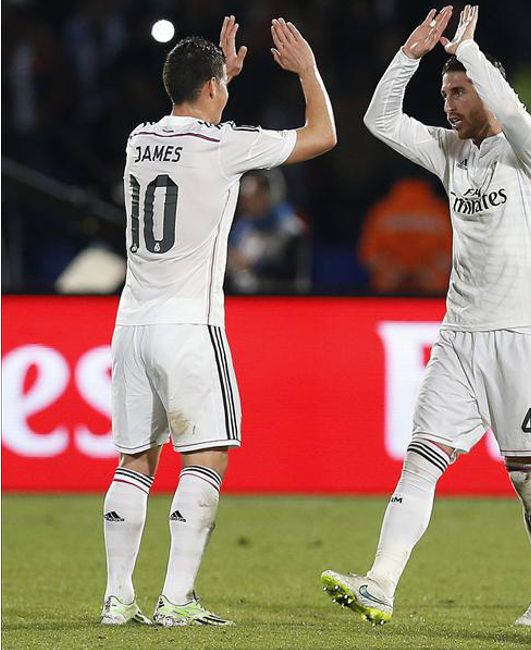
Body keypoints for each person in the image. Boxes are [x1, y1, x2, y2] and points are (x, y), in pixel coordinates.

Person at [321, 5, 531, 627]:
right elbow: (379, 120)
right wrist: (411, 55)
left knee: (529, 477)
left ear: (485, 88)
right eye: (445, 92)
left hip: (522, 333)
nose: (450, 103)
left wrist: (472, 55)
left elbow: (511, 112)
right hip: (460, 336)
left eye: (460, 91)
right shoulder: (450, 152)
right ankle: (379, 582)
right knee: (421, 458)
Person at [101, 15, 336, 626]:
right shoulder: (223, 145)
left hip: (131, 324)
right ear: (211, 88)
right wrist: (308, 69)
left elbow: (183, 123)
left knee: (135, 462)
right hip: (188, 325)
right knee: (206, 458)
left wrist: (216, 79)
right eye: (221, 85)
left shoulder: (136, 139)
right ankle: (176, 600)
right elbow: (322, 136)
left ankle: (117, 598)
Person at [358, 177, 452, 294]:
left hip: (388, 290)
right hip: (434, 292)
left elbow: (369, 252)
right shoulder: (441, 210)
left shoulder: (382, 210)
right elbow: (454, 252)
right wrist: (427, 274)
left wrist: (393, 273)